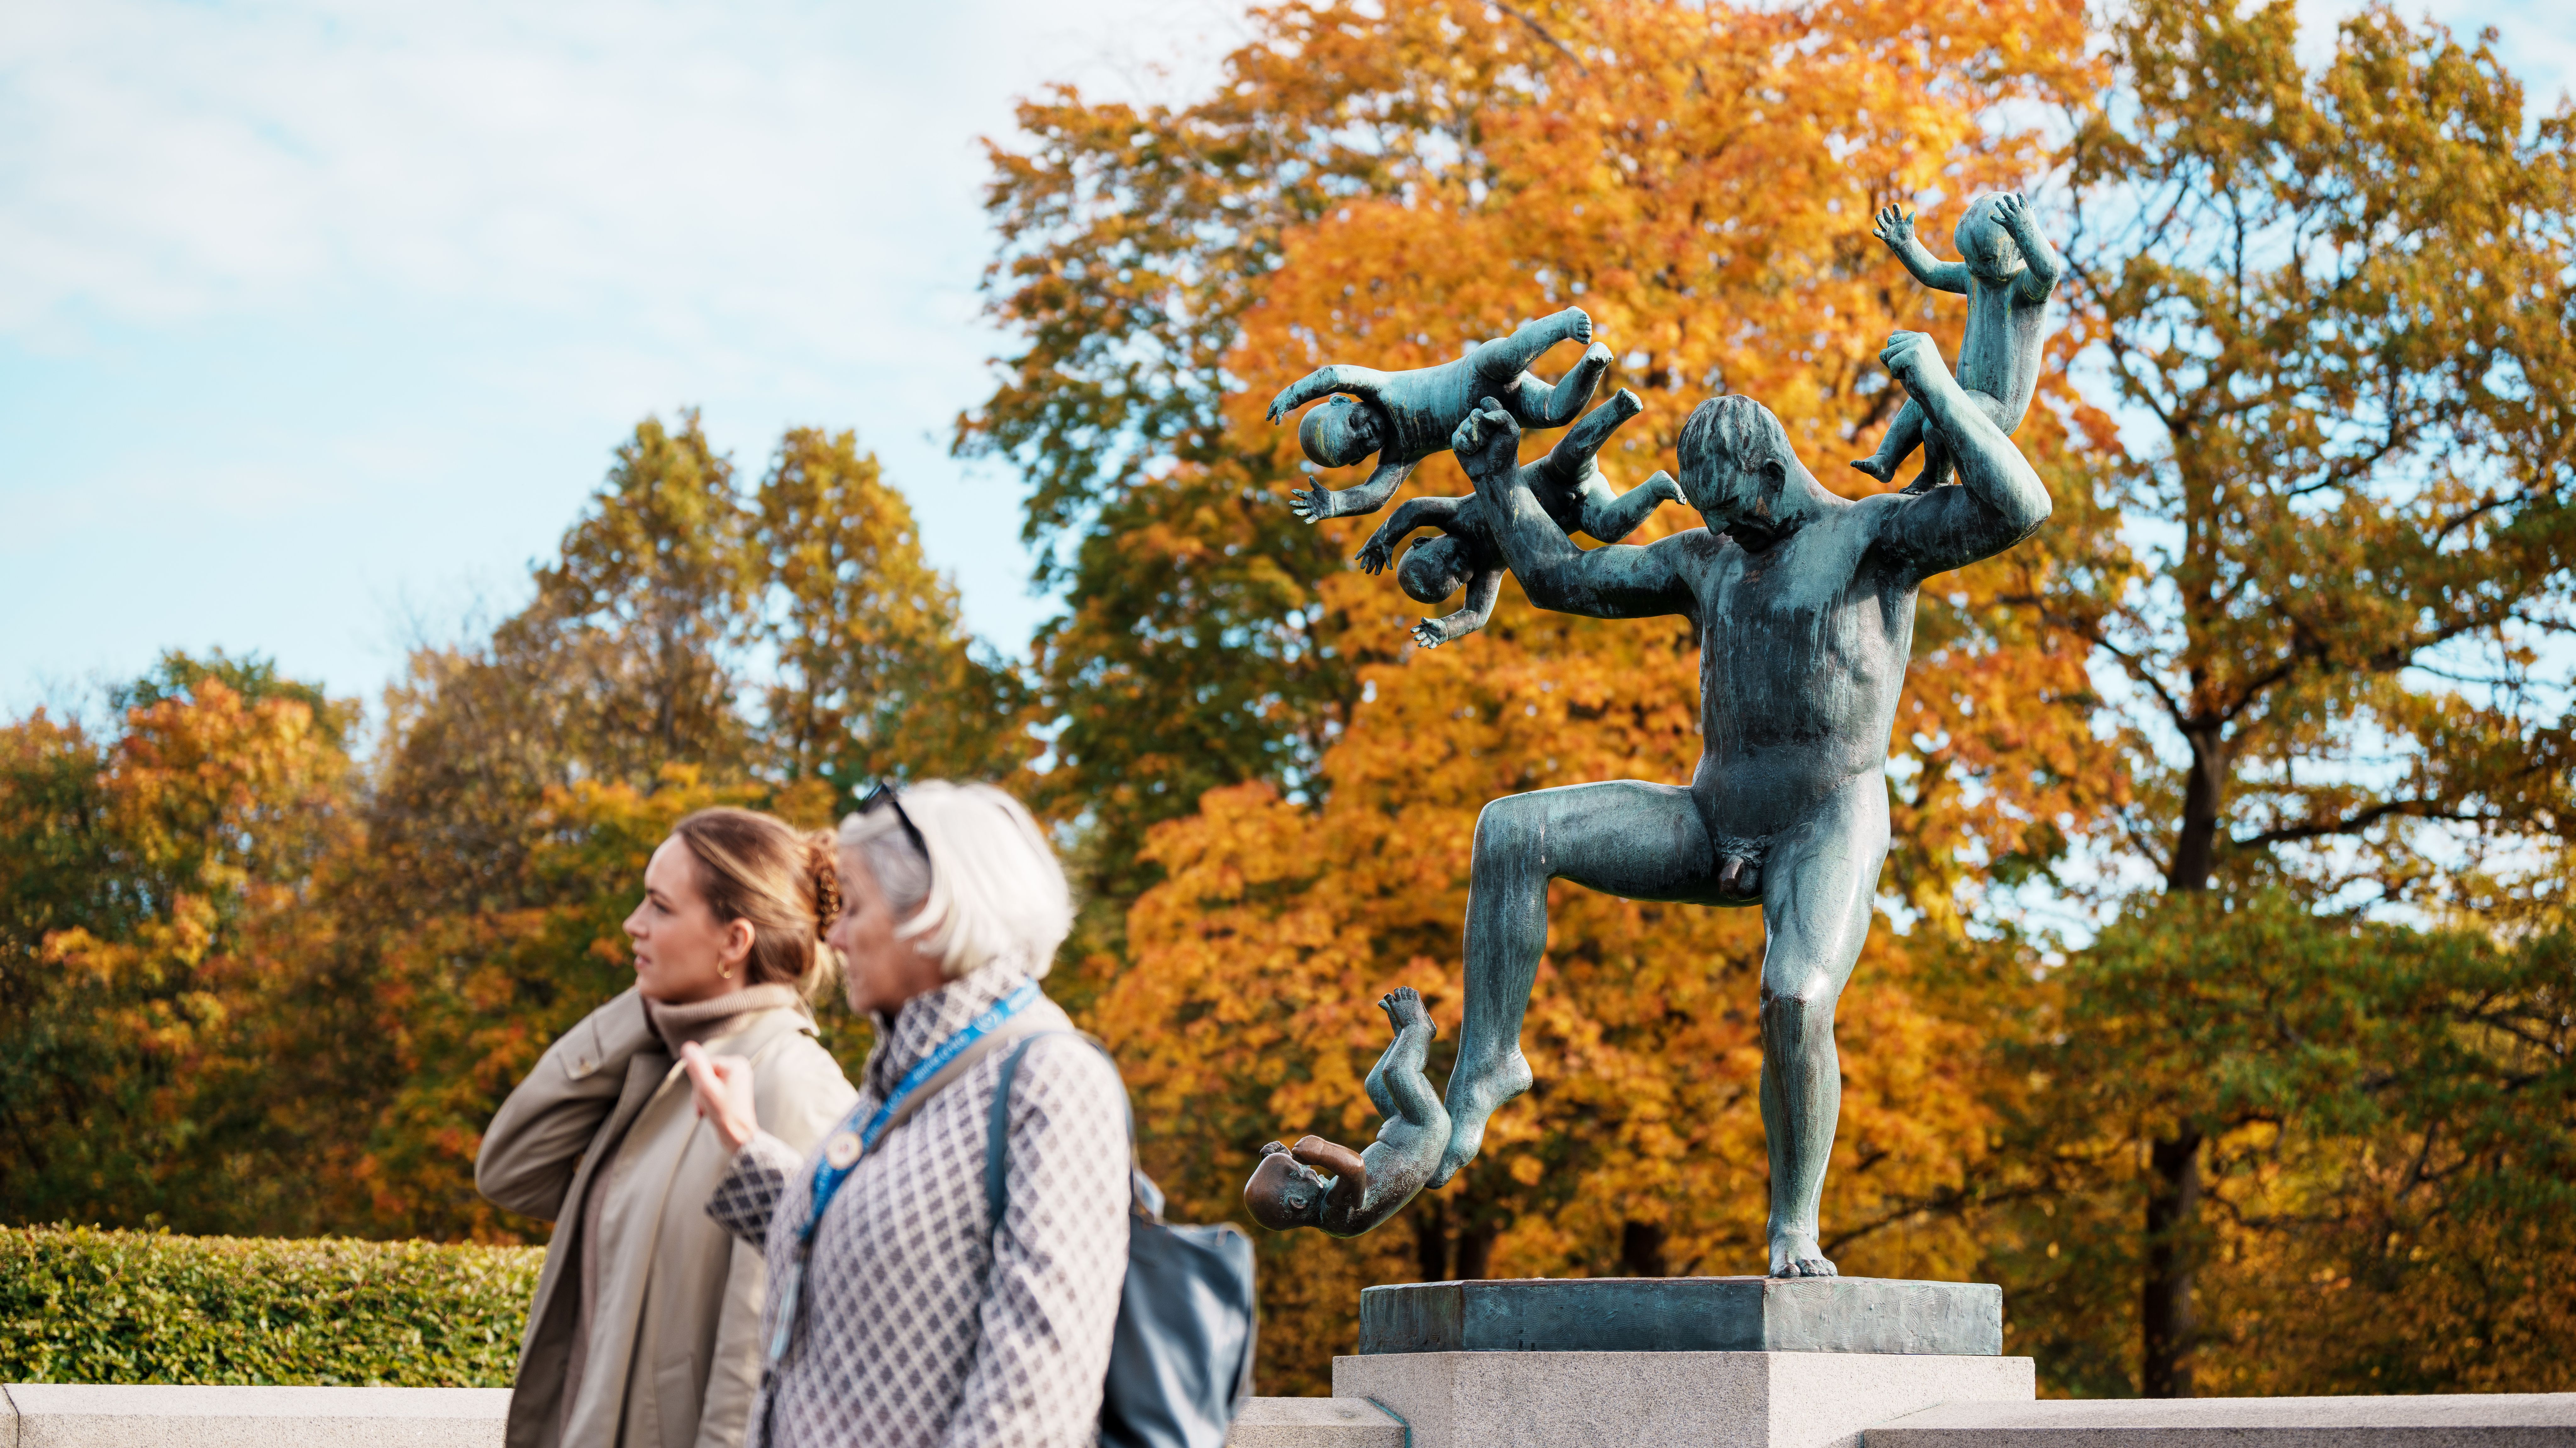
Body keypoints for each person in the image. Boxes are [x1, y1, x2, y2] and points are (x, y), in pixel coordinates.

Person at [1434, 331, 2051, 1278]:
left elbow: (2021, 507)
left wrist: (1932, 379)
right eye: (1715, 519)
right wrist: (1497, 481)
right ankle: (1488, 1064)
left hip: (1828, 815)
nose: (1731, 534)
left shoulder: (1873, 536)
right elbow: (1563, 581)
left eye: (1739, 513)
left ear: (1773, 471)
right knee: (1513, 829)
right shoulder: (1706, 559)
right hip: (1712, 813)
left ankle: (1794, 1224)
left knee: (1795, 995)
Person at [682, 782, 1130, 1448]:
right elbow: (881, 1250)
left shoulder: (1050, 1079)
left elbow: (1035, 1400)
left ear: (931, 913)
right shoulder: (907, 1075)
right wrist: (744, 1143)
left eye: (853, 907)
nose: (832, 936)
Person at [477, 809, 859, 1448]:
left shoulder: (790, 1084)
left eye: (659, 905)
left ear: (734, 941)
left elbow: (752, 1362)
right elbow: (510, 1169)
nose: (633, 922)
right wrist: (646, 1012)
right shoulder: (665, 1067)